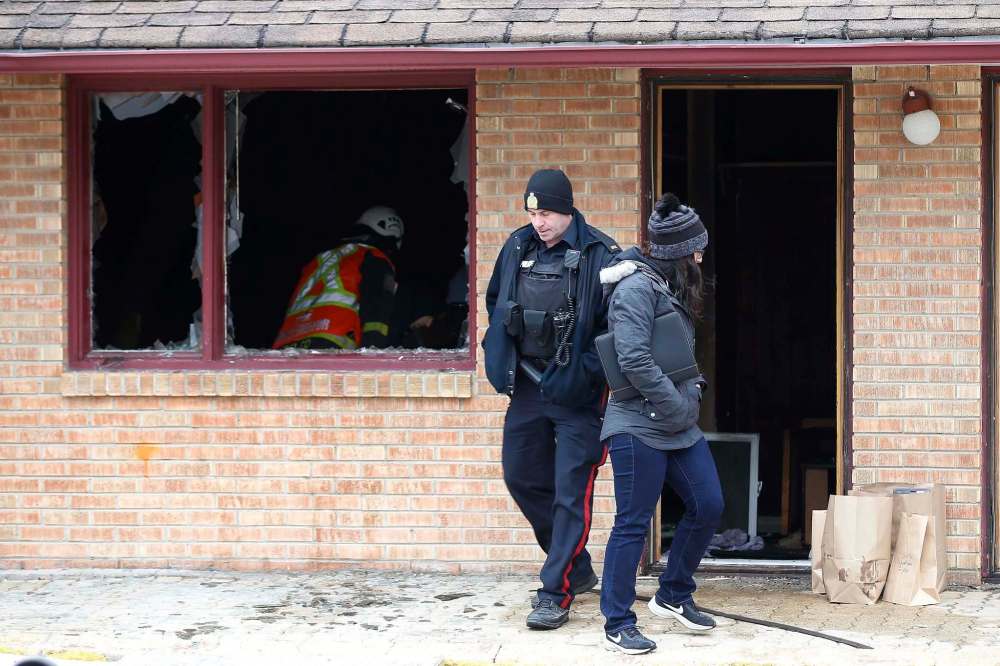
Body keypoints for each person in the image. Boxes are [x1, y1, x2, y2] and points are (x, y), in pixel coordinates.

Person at [483, 168, 621, 630]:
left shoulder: (600, 254)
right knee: (521, 476)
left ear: (567, 210)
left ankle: (554, 592)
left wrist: (582, 374)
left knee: (570, 493)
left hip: (578, 395)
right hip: (526, 386)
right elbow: (495, 303)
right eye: (532, 212)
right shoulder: (517, 246)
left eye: (546, 213)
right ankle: (575, 566)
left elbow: (616, 332)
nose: (538, 221)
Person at [597, 193, 723, 655]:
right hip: (636, 425)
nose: (701, 256)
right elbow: (632, 356)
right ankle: (617, 621)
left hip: (675, 421)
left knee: (708, 503)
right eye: (697, 249)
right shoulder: (635, 289)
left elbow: (673, 353)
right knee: (632, 523)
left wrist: (694, 386)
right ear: (679, 252)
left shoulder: (666, 288)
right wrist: (674, 402)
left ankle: (672, 594)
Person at [273, 205, 403, 350]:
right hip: (333, 338)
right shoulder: (375, 258)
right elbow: (378, 304)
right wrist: (373, 349)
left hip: (287, 343)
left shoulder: (321, 259)